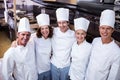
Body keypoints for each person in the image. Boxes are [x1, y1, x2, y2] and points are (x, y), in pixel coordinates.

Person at [85, 9, 120, 80]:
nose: (105, 31)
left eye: (108, 28)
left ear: (112, 30)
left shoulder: (117, 51)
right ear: (99, 29)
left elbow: (114, 75)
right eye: (103, 28)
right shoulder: (95, 41)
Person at [51, 8, 75, 80]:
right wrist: (16, 42)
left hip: (66, 67)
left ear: (68, 23)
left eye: (64, 22)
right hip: (54, 65)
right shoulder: (53, 31)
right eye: (59, 23)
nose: (61, 25)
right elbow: (39, 33)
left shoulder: (73, 34)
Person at [31, 13, 53, 80]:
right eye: (42, 29)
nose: (44, 31)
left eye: (46, 28)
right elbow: (24, 39)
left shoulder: (52, 38)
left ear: (49, 29)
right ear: (40, 30)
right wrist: (15, 42)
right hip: (38, 70)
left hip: (48, 68)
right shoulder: (35, 37)